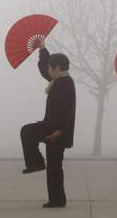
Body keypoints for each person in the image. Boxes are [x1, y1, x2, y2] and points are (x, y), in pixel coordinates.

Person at [20, 40, 76, 208]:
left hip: (56, 130)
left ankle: (36, 163)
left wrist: (59, 131)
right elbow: (45, 70)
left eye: (50, 67)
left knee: (27, 132)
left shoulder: (64, 84)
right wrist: (43, 49)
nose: (48, 70)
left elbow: (65, 111)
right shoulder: (60, 80)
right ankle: (58, 199)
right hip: (53, 127)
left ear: (57, 68)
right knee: (54, 166)